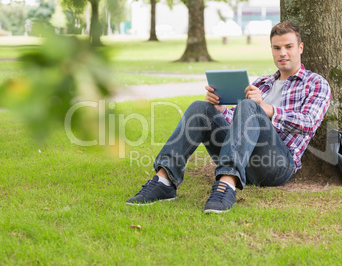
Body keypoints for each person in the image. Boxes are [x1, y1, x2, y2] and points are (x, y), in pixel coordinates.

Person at [126, 22, 331, 213]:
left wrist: (266, 109)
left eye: (289, 46)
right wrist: (221, 109)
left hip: (276, 165)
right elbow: (239, 118)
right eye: (277, 48)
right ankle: (164, 181)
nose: (282, 53)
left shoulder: (315, 83)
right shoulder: (263, 83)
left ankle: (226, 184)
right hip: (244, 158)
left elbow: (308, 124)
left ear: (300, 48)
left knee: (249, 105)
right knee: (201, 108)